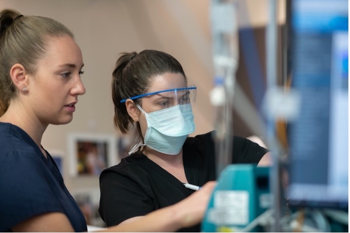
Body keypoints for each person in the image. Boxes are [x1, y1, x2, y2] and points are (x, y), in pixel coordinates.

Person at [0, 9, 216, 232]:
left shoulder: (33, 154)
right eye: (65, 74)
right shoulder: (11, 156)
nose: (80, 88)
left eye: (79, 74)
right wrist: (182, 213)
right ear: (20, 77)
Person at [99, 49, 271, 232]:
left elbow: (276, 172)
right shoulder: (122, 180)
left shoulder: (216, 146)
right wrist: (187, 211)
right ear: (133, 109)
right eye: (164, 103)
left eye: (184, 99)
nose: (178, 111)